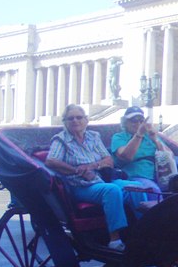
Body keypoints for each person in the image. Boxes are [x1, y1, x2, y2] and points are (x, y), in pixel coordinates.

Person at [45, 104, 148, 251]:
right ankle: (115, 239)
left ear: (86, 120)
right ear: (65, 122)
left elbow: (108, 160)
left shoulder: (93, 136)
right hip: (80, 185)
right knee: (111, 191)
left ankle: (142, 233)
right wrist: (76, 170)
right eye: (70, 118)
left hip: (100, 179)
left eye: (79, 117)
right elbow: (51, 161)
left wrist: (93, 166)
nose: (75, 121)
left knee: (137, 188)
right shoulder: (61, 140)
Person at [111, 106, 165, 199]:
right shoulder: (119, 137)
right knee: (153, 191)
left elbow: (168, 156)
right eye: (134, 121)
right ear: (125, 123)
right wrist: (139, 135)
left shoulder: (149, 136)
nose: (138, 123)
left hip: (159, 176)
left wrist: (155, 139)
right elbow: (126, 156)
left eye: (141, 121)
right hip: (135, 177)